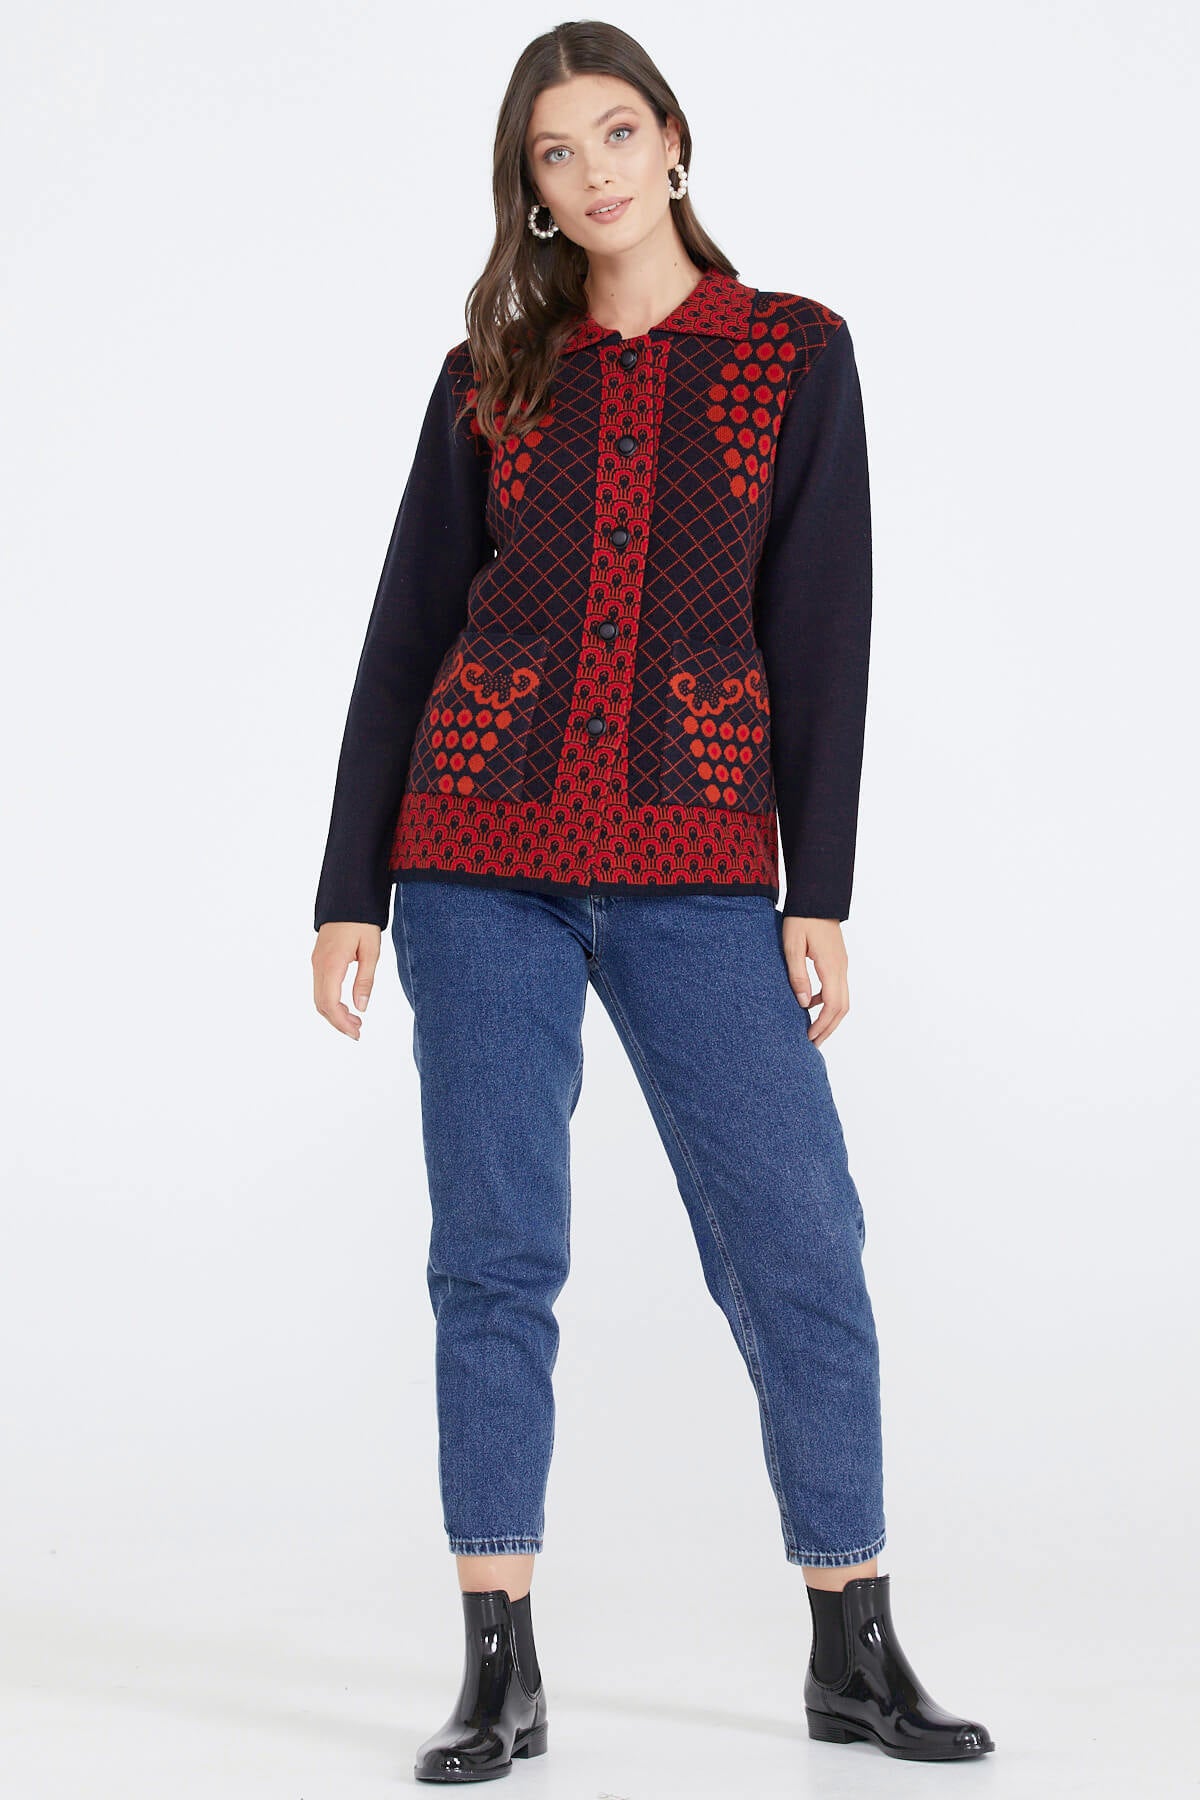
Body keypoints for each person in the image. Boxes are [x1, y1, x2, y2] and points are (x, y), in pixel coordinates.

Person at [311, 19, 993, 1781]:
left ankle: (854, 1648)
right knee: (497, 1252)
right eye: (556, 150)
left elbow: (822, 627)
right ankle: (499, 1666)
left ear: (674, 140)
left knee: (801, 1240)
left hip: (697, 866)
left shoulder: (793, 353)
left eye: (617, 132)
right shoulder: (492, 372)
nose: (595, 169)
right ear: (529, 186)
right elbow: (407, 628)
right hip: (474, 860)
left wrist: (819, 890)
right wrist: (348, 885)